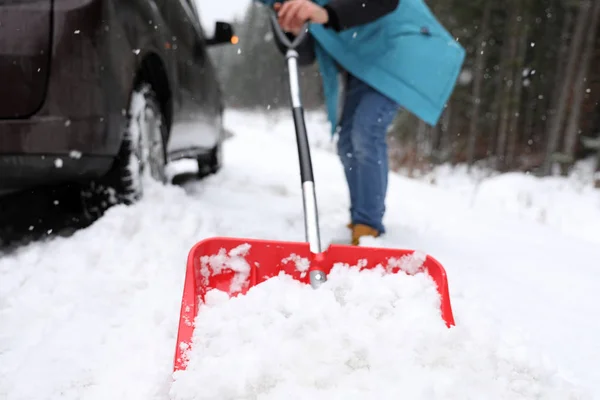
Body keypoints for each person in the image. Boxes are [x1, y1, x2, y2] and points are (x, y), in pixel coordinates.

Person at [260, 0, 465, 245]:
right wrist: (294, 30)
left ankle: (368, 223)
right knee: (346, 141)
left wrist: (327, 14)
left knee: (366, 131)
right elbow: (305, 53)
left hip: (396, 51)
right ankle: (360, 219)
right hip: (362, 67)